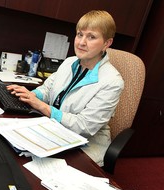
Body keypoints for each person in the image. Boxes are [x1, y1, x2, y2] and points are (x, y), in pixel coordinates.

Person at [7, 10, 124, 166]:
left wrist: (42, 107)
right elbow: (48, 89)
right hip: (55, 131)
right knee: (11, 150)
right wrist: (30, 95)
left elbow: (85, 126)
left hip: (85, 146)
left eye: (91, 37)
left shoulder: (112, 81)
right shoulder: (69, 62)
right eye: (79, 34)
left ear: (107, 43)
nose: (82, 42)